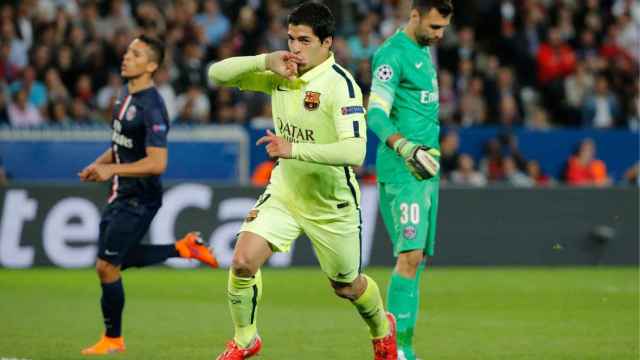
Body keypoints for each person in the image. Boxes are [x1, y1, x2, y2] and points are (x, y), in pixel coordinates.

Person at [208, 2, 397, 359]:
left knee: (346, 286)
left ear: (327, 43)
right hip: (286, 192)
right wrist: (265, 60)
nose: (295, 48)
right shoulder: (282, 71)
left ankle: (382, 329)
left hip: (331, 203)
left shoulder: (341, 86)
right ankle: (246, 339)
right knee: (243, 261)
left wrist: (293, 148)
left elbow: (355, 152)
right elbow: (217, 74)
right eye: (291, 39)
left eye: (304, 40)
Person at [78, 35, 218, 356]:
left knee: (106, 266)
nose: (127, 57)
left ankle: (113, 339)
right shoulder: (123, 99)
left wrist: (111, 171)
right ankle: (184, 247)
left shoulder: (153, 107)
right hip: (120, 193)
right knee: (114, 261)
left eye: (136, 54)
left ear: (152, 66)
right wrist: (98, 164)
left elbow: (158, 163)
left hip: (140, 198)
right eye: (127, 51)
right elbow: (120, 144)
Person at [367, 1, 453, 359]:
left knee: (416, 260)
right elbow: (375, 114)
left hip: (425, 171)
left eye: (443, 28)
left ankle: (406, 347)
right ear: (414, 15)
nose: (439, 35)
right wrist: (405, 148)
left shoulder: (422, 50)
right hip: (403, 170)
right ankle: (396, 349)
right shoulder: (391, 56)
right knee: (410, 255)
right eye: (434, 27)